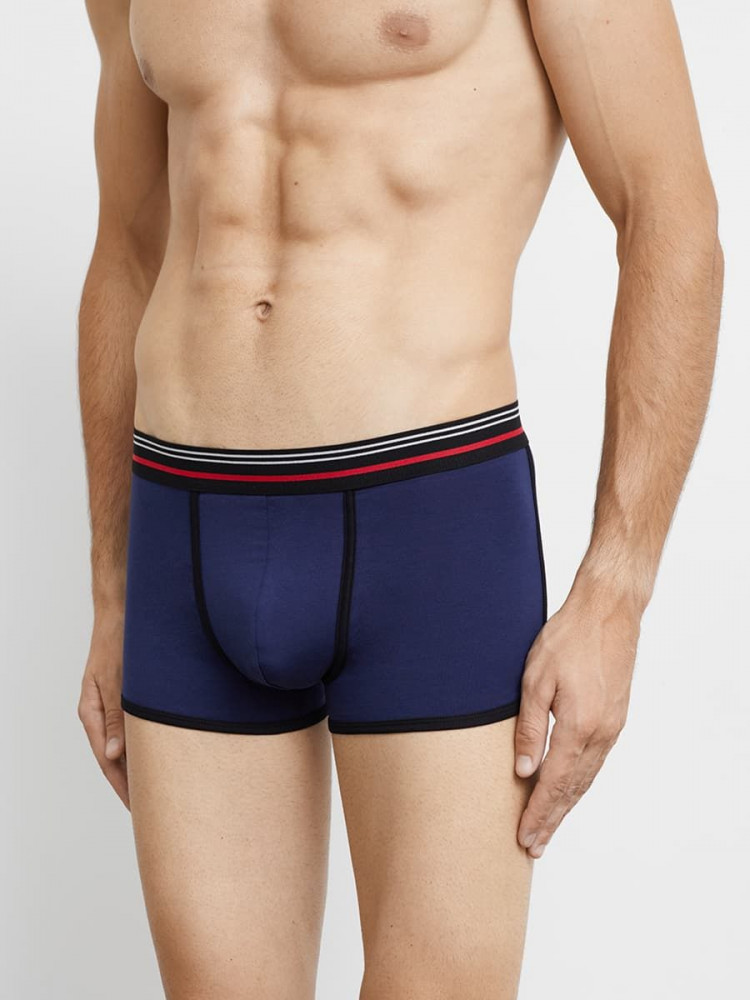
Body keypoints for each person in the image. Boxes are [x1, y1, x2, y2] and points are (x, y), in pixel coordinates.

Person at [77, 0, 722, 996]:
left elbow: (669, 213)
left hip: (429, 524)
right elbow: (126, 242)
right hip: (186, 525)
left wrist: (617, 590)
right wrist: (113, 585)